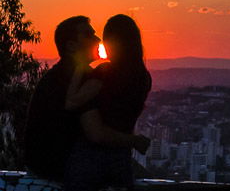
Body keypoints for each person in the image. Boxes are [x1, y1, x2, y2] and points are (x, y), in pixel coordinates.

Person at [23, 16, 147, 183]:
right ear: (71, 46)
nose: (97, 39)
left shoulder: (63, 76)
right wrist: (134, 141)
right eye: (88, 35)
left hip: (48, 169)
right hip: (59, 170)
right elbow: (96, 132)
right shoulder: (75, 78)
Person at [63, 14, 152, 191]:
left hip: (90, 160)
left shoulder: (105, 73)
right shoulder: (144, 78)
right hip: (120, 160)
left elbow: (71, 102)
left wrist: (80, 68)